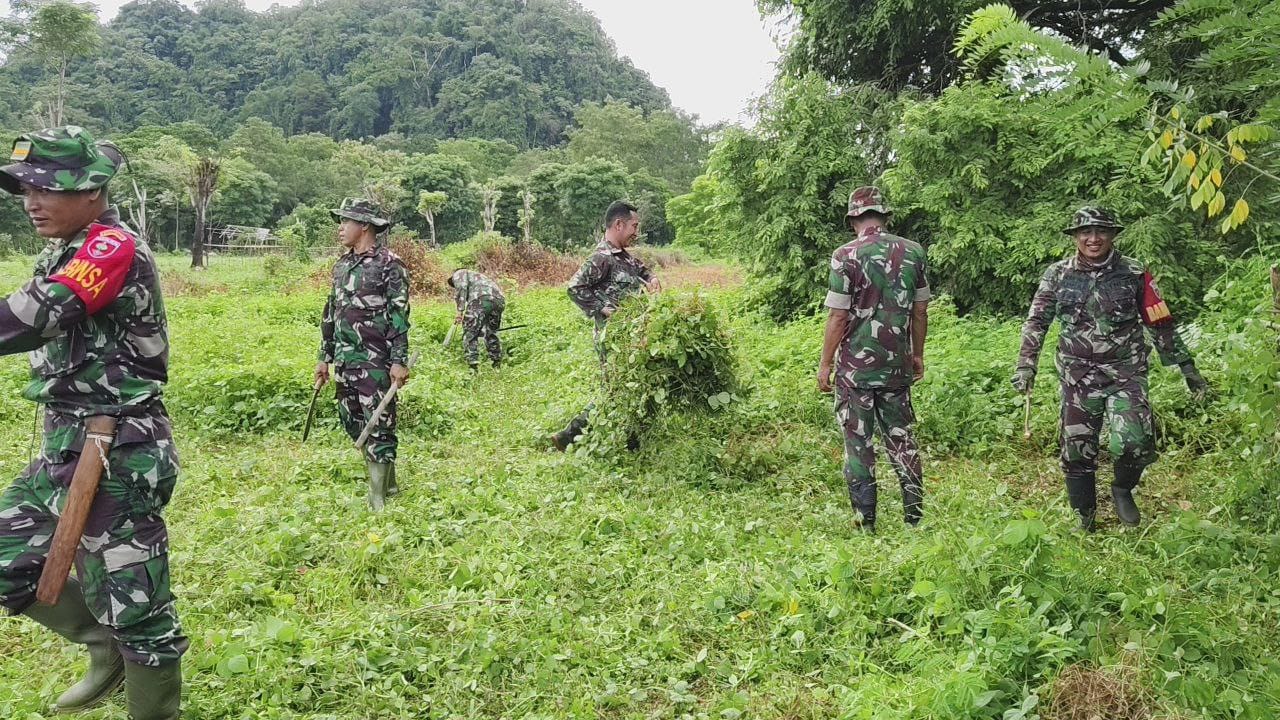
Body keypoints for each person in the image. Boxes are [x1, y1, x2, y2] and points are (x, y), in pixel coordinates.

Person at [0, 126, 185, 718]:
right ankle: (101, 644)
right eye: (23, 190)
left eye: (46, 189)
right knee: (7, 556)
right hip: (65, 442)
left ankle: (144, 689)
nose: (32, 203)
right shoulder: (61, 246)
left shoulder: (111, 247)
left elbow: (45, 312)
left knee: (138, 604)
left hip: (120, 446)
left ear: (91, 190)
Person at [1013, 206, 1209, 531]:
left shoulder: (1134, 273)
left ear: (1113, 235)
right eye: (1085, 232)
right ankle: (1084, 516)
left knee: (1134, 443)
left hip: (1125, 374)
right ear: (1075, 236)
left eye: (1101, 231)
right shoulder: (1057, 275)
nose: (1093, 238)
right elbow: (1037, 321)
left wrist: (1189, 371)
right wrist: (1025, 365)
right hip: (1078, 377)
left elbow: (1160, 323)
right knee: (1077, 450)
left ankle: (1122, 489)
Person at [817, 186, 931, 533]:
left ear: (853, 219)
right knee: (902, 438)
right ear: (885, 216)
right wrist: (917, 354)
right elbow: (921, 310)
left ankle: (866, 525)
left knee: (858, 443)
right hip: (897, 365)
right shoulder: (913, 252)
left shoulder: (845, 255)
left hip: (856, 370)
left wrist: (825, 363)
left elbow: (838, 317)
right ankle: (914, 519)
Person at [315, 198, 411, 511]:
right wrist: (323, 358)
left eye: (346, 221)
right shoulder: (342, 265)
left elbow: (399, 314)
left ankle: (378, 498)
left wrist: (399, 360)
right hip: (345, 360)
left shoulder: (389, 264)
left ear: (364, 225)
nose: (340, 228)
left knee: (379, 424)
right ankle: (390, 481)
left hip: (376, 361)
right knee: (351, 419)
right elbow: (331, 312)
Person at [550, 200, 660, 450]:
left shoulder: (625, 258)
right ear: (619, 224)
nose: (636, 232)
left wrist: (653, 279)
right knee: (616, 388)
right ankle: (571, 434)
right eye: (634, 226)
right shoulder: (601, 258)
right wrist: (603, 309)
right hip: (612, 337)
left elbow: (643, 271)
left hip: (631, 333)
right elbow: (574, 288)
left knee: (631, 384)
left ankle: (631, 440)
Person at [448, 269, 505, 370]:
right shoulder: (477, 277)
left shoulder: (459, 273)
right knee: (491, 332)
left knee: (470, 332)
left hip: (479, 299)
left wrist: (460, 311)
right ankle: (496, 363)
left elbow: (462, 287)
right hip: (498, 301)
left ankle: (472, 367)